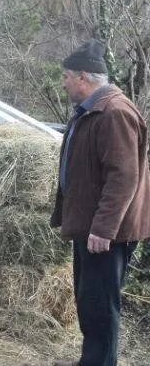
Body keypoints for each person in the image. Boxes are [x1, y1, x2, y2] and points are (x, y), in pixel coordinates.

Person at [52, 40, 150, 366]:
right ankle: (91, 361)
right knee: (89, 301)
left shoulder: (115, 112)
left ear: (83, 77)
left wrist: (104, 228)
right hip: (92, 226)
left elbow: (124, 177)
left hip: (107, 232)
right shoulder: (94, 110)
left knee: (101, 305)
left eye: (66, 76)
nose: (63, 83)